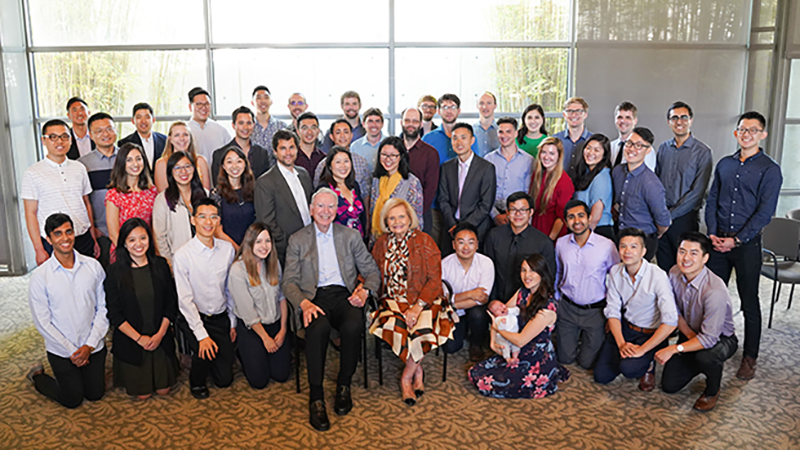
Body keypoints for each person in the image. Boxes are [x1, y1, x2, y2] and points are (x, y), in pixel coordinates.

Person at [282, 188, 381, 432]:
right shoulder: (298, 239)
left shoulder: (350, 236)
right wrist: (304, 303)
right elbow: (289, 282)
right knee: (318, 329)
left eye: (330, 207)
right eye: (320, 206)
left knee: (354, 324)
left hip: (343, 294)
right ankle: (316, 396)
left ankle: (343, 385)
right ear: (312, 210)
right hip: (313, 297)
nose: (325, 211)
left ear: (336, 211)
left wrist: (365, 291)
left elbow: (372, 271)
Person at [704, 111, 782, 381]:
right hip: (717, 242)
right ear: (736, 133)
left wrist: (736, 240)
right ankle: (711, 344)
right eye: (741, 129)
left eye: (752, 129)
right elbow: (712, 200)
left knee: (749, 301)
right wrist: (713, 234)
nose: (746, 134)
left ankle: (750, 356)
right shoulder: (725, 164)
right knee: (713, 298)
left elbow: (765, 212)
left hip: (747, 245)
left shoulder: (770, 170)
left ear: (763, 134)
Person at [370, 198, 455, 405]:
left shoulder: (424, 240)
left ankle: (406, 378)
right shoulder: (381, 243)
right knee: (395, 326)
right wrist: (362, 289)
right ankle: (418, 370)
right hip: (392, 301)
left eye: (401, 216)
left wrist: (417, 307)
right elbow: (371, 272)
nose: (397, 221)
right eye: (391, 218)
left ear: (410, 218)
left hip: (424, 299)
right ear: (386, 222)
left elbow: (435, 280)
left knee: (422, 329)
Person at [26, 213, 108, 408]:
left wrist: (88, 346)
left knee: (95, 394)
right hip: (62, 350)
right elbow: (42, 322)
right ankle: (38, 376)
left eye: (68, 232)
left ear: (74, 233)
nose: (65, 238)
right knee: (72, 400)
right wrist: (73, 351)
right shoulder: (40, 277)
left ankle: (81, 370)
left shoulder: (93, 267)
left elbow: (103, 309)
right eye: (58, 234)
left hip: (93, 345)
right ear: (49, 239)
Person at [468, 253, 570, 398]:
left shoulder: (547, 308)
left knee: (486, 382)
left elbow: (520, 340)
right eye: (523, 270)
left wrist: (497, 329)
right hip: (515, 350)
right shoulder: (522, 292)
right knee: (475, 372)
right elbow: (498, 316)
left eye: (532, 270)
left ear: (542, 273)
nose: (526, 275)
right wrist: (492, 341)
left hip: (535, 359)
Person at [657, 232, 738, 412]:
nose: (686, 258)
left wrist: (674, 348)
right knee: (669, 385)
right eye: (682, 251)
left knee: (706, 357)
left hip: (720, 338)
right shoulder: (674, 272)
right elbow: (674, 310)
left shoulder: (714, 290)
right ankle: (699, 362)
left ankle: (712, 390)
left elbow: (709, 339)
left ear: (705, 258)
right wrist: (687, 336)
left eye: (693, 253)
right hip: (690, 331)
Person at [594, 227, 677, 391]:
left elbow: (671, 321)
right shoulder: (615, 271)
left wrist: (642, 350)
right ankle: (628, 357)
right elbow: (613, 311)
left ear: (643, 251)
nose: (627, 251)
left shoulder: (657, 276)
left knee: (629, 369)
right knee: (601, 376)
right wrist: (621, 344)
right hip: (626, 328)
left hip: (649, 333)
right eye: (623, 246)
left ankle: (648, 366)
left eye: (633, 247)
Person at [104, 218, 178, 399]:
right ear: (124, 244)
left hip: (159, 336)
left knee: (164, 390)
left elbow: (171, 303)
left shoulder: (161, 265)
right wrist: (139, 339)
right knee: (142, 395)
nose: (138, 244)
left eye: (143, 238)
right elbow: (114, 314)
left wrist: (160, 334)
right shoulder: (114, 272)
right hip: (132, 340)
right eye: (132, 240)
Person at [173, 198, 237, 400]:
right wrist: (202, 336)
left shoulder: (227, 250)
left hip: (219, 317)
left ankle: (212, 358)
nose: (208, 222)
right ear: (193, 221)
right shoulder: (183, 255)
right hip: (193, 318)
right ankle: (197, 380)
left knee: (224, 380)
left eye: (213, 217)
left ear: (218, 221)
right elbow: (185, 300)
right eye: (202, 217)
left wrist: (232, 323)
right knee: (204, 352)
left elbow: (230, 290)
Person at [22, 119, 98, 265]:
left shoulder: (79, 168)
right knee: (58, 285)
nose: (59, 141)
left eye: (64, 136)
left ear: (70, 140)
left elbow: (86, 204)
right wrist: (38, 249)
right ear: (44, 140)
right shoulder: (32, 173)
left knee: (86, 282)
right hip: (54, 241)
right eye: (53, 137)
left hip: (82, 237)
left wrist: (93, 237)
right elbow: (30, 213)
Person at [554, 200, 618, 370]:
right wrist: (556, 300)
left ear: (589, 218)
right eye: (571, 217)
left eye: (581, 216)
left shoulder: (607, 245)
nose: (577, 221)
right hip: (567, 308)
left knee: (587, 363)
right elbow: (558, 273)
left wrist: (612, 314)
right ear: (566, 222)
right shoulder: (561, 243)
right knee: (565, 359)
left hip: (595, 311)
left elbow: (616, 280)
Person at [228, 223, 291, 389]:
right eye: (258, 242)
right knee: (259, 381)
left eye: (267, 241)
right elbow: (247, 312)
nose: (264, 246)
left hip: (275, 324)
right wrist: (265, 338)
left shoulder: (274, 263)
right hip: (252, 329)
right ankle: (243, 352)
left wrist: (283, 329)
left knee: (281, 375)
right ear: (249, 243)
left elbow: (282, 298)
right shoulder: (238, 270)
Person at [655, 101, 713, 273]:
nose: (679, 121)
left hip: (685, 219)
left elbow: (698, 192)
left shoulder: (702, 152)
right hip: (662, 214)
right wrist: (661, 214)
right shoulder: (663, 148)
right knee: (665, 267)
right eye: (674, 118)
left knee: (686, 267)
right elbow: (656, 182)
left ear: (691, 120)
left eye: (683, 117)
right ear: (668, 122)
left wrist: (669, 216)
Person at [254, 129, 313, 266]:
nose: (288, 153)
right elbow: (266, 221)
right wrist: (289, 243)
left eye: (291, 147)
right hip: (285, 250)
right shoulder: (265, 182)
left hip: (311, 244)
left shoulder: (303, 174)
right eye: (283, 148)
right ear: (275, 151)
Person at [611, 127, 671, 261]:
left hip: (643, 241)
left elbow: (663, 221)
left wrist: (655, 233)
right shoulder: (617, 172)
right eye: (629, 143)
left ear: (648, 150)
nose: (631, 149)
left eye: (638, 146)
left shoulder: (651, 183)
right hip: (620, 236)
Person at [484, 191, 556, 302]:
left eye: (523, 210)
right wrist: (493, 300)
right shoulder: (494, 236)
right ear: (507, 212)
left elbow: (548, 278)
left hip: (529, 304)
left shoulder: (544, 242)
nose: (518, 214)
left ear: (530, 212)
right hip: (496, 301)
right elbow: (487, 271)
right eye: (513, 210)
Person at [438, 123, 496, 250]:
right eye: (455, 138)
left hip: (477, 229)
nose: (459, 142)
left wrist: (464, 228)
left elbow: (486, 204)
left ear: (472, 140)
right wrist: (453, 225)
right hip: (450, 229)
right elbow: (443, 199)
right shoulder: (447, 167)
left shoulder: (486, 168)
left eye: (463, 137)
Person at [441, 222, 494, 361]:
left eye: (471, 242)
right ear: (454, 245)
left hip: (472, 310)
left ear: (477, 244)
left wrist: (455, 303)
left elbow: (482, 298)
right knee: (450, 348)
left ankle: (476, 344)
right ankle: (463, 328)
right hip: (453, 312)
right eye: (461, 242)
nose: (466, 247)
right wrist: (470, 293)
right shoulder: (444, 265)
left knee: (477, 314)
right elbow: (443, 299)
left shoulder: (486, 263)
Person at [105, 142, 158, 262]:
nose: (135, 164)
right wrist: (131, 254)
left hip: (147, 249)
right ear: (122, 163)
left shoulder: (152, 191)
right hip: (123, 252)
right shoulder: (114, 194)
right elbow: (113, 233)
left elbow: (155, 225)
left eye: (138, 159)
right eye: (129, 160)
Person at [152, 151, 207, 265]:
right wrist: (171, 265)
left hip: (206, 259)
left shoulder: (205, 194)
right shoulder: (163, 200)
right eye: (177, 168)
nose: (183, 171)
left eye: (188, 166)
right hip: (179, 262)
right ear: (171, 172)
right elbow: (160, 238)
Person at [79, 112, 119, 268]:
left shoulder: (128, 158)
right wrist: (92, 229)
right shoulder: (83, 165)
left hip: (128, 229)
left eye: (109, 129)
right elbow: (82, 201)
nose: (106, 134)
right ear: (91, 135)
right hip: (100, 231)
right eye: (99, 131)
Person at [370, 136, 424, 241]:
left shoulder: (411, 182)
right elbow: (372, 211)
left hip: (402, 241)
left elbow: (417, 219)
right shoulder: (377, 180)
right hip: (378, 239)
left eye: (393, 155)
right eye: (384, 155)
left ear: (401, 157)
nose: (388, 159)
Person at [485, 117, 533, 226]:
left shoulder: (528, 160)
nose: (504, 136)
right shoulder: (488, 159)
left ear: (516, 133)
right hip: (493, 214)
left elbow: (528, 193)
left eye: (508, 132)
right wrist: (495, 215)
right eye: (501, 132)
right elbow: (485, 193)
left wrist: (517, 215)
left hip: (519, 215)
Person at [313, 119, 373, 204]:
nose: (342, 136)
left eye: (346, 132)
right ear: (332, 137)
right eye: (338, 132)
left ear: (351, 135)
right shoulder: (322, 164)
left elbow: (366, 195)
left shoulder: (361, 162)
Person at [401, 107, 439, 236]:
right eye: (407, 120)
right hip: (393, 217)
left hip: (421, 216)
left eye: (415, 121)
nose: (410, 124)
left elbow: (430, 189)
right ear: (401, 122)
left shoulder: (430, 153)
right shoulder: (392, 149)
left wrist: (414, 215)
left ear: (421, 124)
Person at [211, 106, 274, 181]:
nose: (245, 127)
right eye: (241, 123)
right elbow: (218, 185)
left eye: (249, 123)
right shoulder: (219, 154)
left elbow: (266, 182)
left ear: (253, 125)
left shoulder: (262, 153)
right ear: (233, 125)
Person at [210, 146, 256, 248]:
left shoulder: (255, 190)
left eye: (239, 161)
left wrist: (249, 250)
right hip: (227, 249)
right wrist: (238, 251)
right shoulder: (216, 194)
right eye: (229, 162)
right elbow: (217, 230)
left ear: (245, 164)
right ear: (223, 166)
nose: (234, 166)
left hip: (253, 247)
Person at [316, 146, 367, 238]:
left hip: (358, 242)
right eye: (338, 162)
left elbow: (362, 217)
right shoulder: (324, 189)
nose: (343, 166)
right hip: (336, 243)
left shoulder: (354, 186)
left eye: (346, 161)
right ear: (330, 166)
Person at [529, 137, 574, 240]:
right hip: (535, 232)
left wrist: (549, 241)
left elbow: (562, 218)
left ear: (559, 156)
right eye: (544, 152)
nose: (546, 157)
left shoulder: (564, 182)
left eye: (552, 153)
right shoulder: (537, 175)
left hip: (552, 236)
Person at [571, 134, 615, 240]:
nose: (591, 153)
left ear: (604, 154)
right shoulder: (587, 172)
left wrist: (584, 237)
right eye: (588, 148)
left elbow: (596, 215)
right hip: (584, 228)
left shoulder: (602, 177)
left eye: (597, 150)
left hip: (597, 231)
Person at [422, 93, 479, 165]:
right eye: (445, 107)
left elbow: (476, 165)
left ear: (459, 111)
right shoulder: (428, 139)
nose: (449, 111)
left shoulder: (470, 138)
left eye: (453, 107)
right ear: (439, 111)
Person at [155, 121, 211, 191]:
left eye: (185, 135)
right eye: (177, 135)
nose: (182, 138)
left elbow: (206, 191)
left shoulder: (201, 161)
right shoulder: (161, 163)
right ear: (170, 139)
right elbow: (163, 193)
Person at [187, 87, 231, 163]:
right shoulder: (185, 130)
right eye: (199, 104)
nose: (203, 108)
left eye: (206, 104)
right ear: (190, 107)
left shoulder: (221, 130)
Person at [117, 102, 167, 168]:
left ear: (153, 120)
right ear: (133, 121)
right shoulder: (124, 143)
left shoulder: (165, 140)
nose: (143, 121)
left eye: (147, 117)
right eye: (139, 117)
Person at [609, 101, 655, 170]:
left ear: (635, 121)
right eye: (620, 117)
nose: (623, 121)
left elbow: (646, 175)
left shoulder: (644, 149)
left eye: (628, 117)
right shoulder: (610, 146)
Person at [554, 97, 592, 177]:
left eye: (578, 111)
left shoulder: (593, 141)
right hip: (559, 188)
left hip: (585, 188)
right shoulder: (555, 140)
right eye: (569, 111)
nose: (574, 115)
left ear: (585, 115)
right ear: (564, 115)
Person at [250, 85, 286, 154]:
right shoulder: (249, 127)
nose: (263, 101)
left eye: (266, 97)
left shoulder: (281, 126)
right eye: (259, 98)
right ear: (252, 102)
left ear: (271, 101)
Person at [294, 112, 327, 176]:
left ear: (318, 131)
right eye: (305, 128)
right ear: (298, 132)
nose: (309, 132)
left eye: (313, 128)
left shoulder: (324, 158)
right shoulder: (292, 157)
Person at [473, 92, 499, 157]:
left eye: (489, 103)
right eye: (481, 103)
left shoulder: (501, 131)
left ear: (495, 106)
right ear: (477, 106)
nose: (485, 107)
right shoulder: (470, 131)